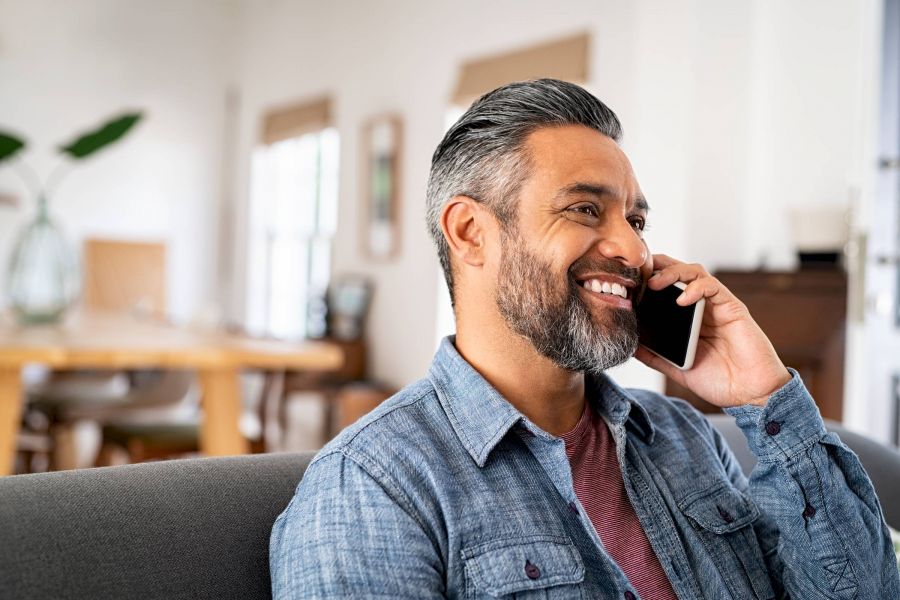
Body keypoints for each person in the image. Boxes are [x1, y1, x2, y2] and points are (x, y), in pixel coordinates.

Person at [270, 79, 899, 599]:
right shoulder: (374, 486)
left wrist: (765, 398)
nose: (632, 247)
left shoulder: (685, 437)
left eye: (636, 219)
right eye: (584, 209)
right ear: (470, 233)